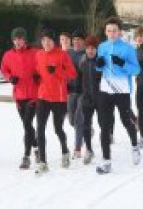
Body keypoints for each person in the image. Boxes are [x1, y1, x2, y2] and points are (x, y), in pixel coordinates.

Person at [95, 17, 141, 174]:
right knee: (104, 125)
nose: (112, 33)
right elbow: (99, 67)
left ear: (120, 32)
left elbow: (136, 70)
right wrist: (99, 66)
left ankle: (135, 145)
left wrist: (122, 64)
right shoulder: (102, 47)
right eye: (109, 31)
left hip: (122, 90)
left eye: (114, 30)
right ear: (105, 32)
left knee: (126, 121)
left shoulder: (128, 49)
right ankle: (106, 161)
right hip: (105, 89)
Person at [34, 28, 77, 175]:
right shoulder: (39, 55)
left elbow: (72, 73)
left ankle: (65, 151)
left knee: (58, 129)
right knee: (39, 128)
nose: (46, 42)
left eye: (49, 40)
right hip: (42, 96)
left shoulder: (62, 55)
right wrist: (36, 77)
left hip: (58, 98)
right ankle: (42, 162)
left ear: (54, 42)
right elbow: (38, 71)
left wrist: (57, 71)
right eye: (44, 40)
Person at [0, 27, 40, 169]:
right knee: (27, 125)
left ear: (25, 40)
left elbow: (43, 66)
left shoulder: (35, 52)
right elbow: (3, 69)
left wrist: (38, 75)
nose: (17, 41)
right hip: (19, 96)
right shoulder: (8, 55)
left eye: (20, 38)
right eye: (15, 39)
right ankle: (37, 149)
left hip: (33, 96)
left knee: (27, 125)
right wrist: (10, 78)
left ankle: (26, 156)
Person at [78, 35, 102, 164]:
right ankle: (88, 149)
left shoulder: (102, 61)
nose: (90, 50)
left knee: (103, 124)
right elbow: (78, 78)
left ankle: (105, 148)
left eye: (93, 48)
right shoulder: (82, 61)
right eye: (88, 48)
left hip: (100, 98)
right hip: (87, 98)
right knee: (86, 125)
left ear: (97, 49)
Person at [67, 29, 86, 159]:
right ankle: (85, 131)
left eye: (79, 39)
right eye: (74, 40)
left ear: (83, 41)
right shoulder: (68, 53)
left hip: (84, 91)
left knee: (78, 120)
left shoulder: (87, 53)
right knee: (71, 121)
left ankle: (77, 148)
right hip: (70, 90)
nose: (76, 42)